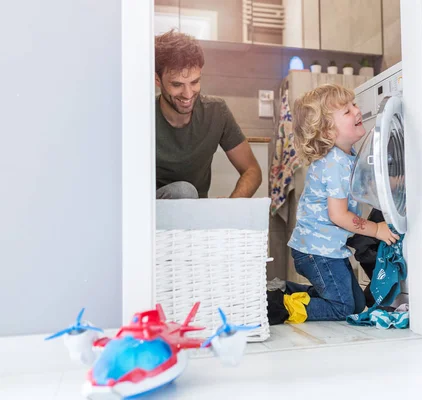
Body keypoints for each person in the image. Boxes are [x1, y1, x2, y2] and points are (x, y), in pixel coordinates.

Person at [285, 84, 400, 321]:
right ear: (327, 132)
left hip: (325, 249)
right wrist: (376, 229)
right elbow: (338, 215)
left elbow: (365, 183)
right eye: (347, 112)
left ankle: (290, 291)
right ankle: (281, 303)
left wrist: (398, 182)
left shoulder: (348, 154)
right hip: (316, 252)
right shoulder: (333, 163)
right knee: (343, 308)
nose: (357, 111)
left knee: (357, 305)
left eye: (353, 105)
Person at [154, 30, 262, 199]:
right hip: (150, 215)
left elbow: (252, 170)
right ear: (157, 80)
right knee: (183, 191)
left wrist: (230, 205)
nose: (188, 94)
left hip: (196, 213)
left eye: (195, 82)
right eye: (177, 84)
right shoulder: (143, 115)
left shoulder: (216, 111)